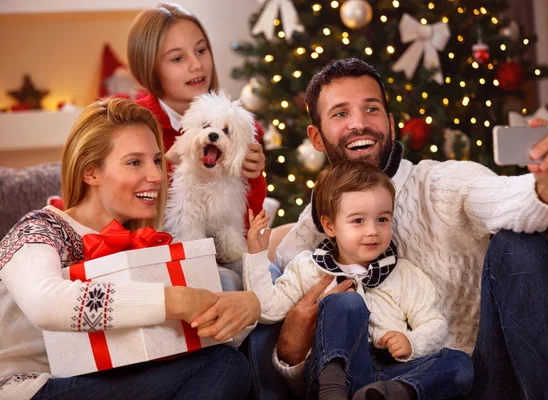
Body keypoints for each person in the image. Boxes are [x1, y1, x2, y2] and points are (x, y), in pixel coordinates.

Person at [272, 58, 548, 399]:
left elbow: (500, 198)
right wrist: (289, 349)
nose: (360, 124)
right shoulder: (309, 234)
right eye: (340, 113)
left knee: (522, 245)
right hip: (373, 385)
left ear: (390, 123)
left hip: (472, 375)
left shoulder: (441, 182)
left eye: (371, 109)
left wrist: (544, 192)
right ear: (317, 137)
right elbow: (296, 360)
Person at [0, 98, 260, 400]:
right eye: (135, 162)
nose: (156, 176)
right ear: (91, 172)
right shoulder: (39, 229)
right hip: (28, 388)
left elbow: (181, 336)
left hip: (104, 379)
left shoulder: (145, 240)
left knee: (228, 365)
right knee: (223, 365)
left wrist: (250, 307)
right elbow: (46, 303)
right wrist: (174, 299)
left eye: (157, 161)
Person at [245, 161, 474, 400]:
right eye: (358, 221)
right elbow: (267, 309)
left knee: (460, 363)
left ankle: (393, 393)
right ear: (329, 225)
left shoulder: (404, 274)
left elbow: (434, 324)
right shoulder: (308, 268)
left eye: (382, 219)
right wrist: (256, 255)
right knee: (346, 302)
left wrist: (411, 342)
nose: (372, 231)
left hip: (387, 374)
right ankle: (333, 391)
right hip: (327, 378)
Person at [127, 2, 267, 236]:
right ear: (149, 67)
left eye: (201, 51)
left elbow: (244, 221)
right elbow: (126, 211)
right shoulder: (133, 126)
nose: (196, 65)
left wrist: (254, 176)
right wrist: (165, 163)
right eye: (177, 59)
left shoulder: (240, 127)